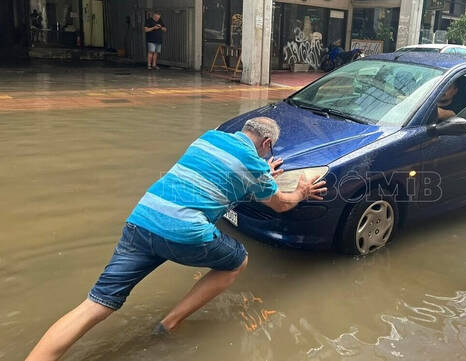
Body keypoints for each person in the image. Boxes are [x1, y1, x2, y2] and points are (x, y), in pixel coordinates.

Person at [26, 117, 327, 361]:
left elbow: (222, 176)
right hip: (185, 231)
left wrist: (262, 174)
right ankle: (170, 323)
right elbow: (281, 203)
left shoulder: (207, 138)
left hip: (142, 219)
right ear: (268, 144)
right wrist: (301, 189)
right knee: (237, 261)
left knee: (95, 304)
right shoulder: (255, 165)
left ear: (242, 131)